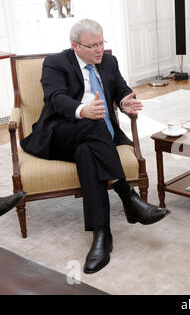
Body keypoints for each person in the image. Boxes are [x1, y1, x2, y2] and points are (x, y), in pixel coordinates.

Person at [20, 19, 170, 274]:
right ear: (75, 46)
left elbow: (122, 90)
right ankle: (127, 195)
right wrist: (83, 110)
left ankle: (102, 235)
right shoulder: (56, 63)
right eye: (93, 46)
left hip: (94, 140)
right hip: (60, 133)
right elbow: (56, 99)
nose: (99, 50)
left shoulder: (109, 62)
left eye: (102, 43)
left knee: (87, 152)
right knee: (94, 122)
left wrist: (125, 103)